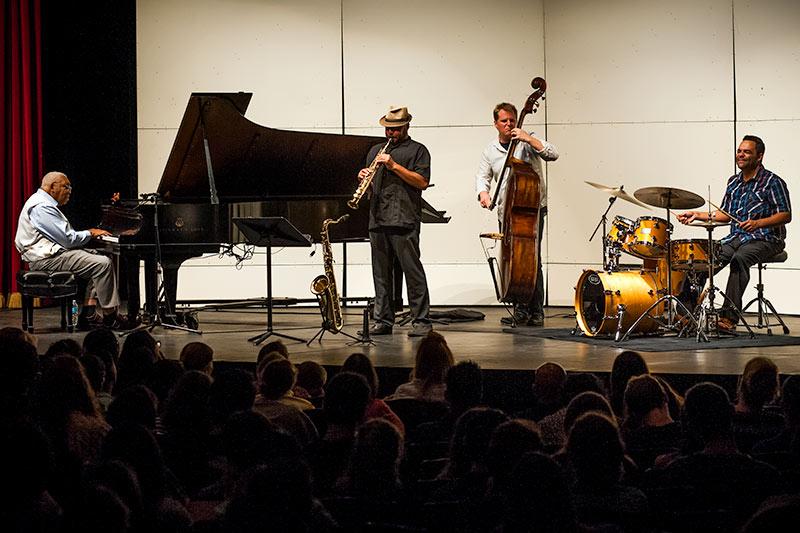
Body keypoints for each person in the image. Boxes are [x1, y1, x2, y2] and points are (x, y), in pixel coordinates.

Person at [677, 136, 791, 333]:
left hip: (767, 239)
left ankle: (728, 318)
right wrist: (698, 215)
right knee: (701, 259)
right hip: (737, 237)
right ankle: (685, 314)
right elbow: (725, 215)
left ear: (759, 156)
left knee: (740, 259)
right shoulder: (734, 182)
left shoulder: (773, 182)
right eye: (739, 151)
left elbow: (785, 214)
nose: (741, 155)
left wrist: (758, 223)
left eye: (747, 152)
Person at [476, 102, 559, 327]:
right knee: (512, 260)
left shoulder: (527, 141)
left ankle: (537, 311)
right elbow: (483, 176)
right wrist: (483, 192)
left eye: (512, 120)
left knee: (532, 260)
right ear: (495, 124)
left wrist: (528, 138)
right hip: (506, 211)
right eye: (504, 121)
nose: (509, 124)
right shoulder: (490, 149)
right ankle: (520, 310)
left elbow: (553, 154)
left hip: (531, 210)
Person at [14, 171, 132, 329]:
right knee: (102, 263)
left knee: (98, 257)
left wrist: (89, 235)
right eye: (66, 186)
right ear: (52, 187)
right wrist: (90, 233)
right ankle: (111, 316)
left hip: (52, 255)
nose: (69, 190)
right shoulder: (41, 207)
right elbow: (68, 240)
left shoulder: (42, 203)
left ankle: (89, 313)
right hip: (45, 260)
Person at [358, 106, 432, 337]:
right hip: (377, 219)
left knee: (413, 272)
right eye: (388, 130)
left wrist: (394, 166)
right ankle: (383, 321)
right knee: (380, 274)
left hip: (404, 218)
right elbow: (373, 188)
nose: (391, 134)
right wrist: (364, 179)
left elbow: (421, 182)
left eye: (396, 129)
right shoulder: (375, 151)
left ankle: (421, 321)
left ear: (407, 126)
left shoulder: (418, 151)